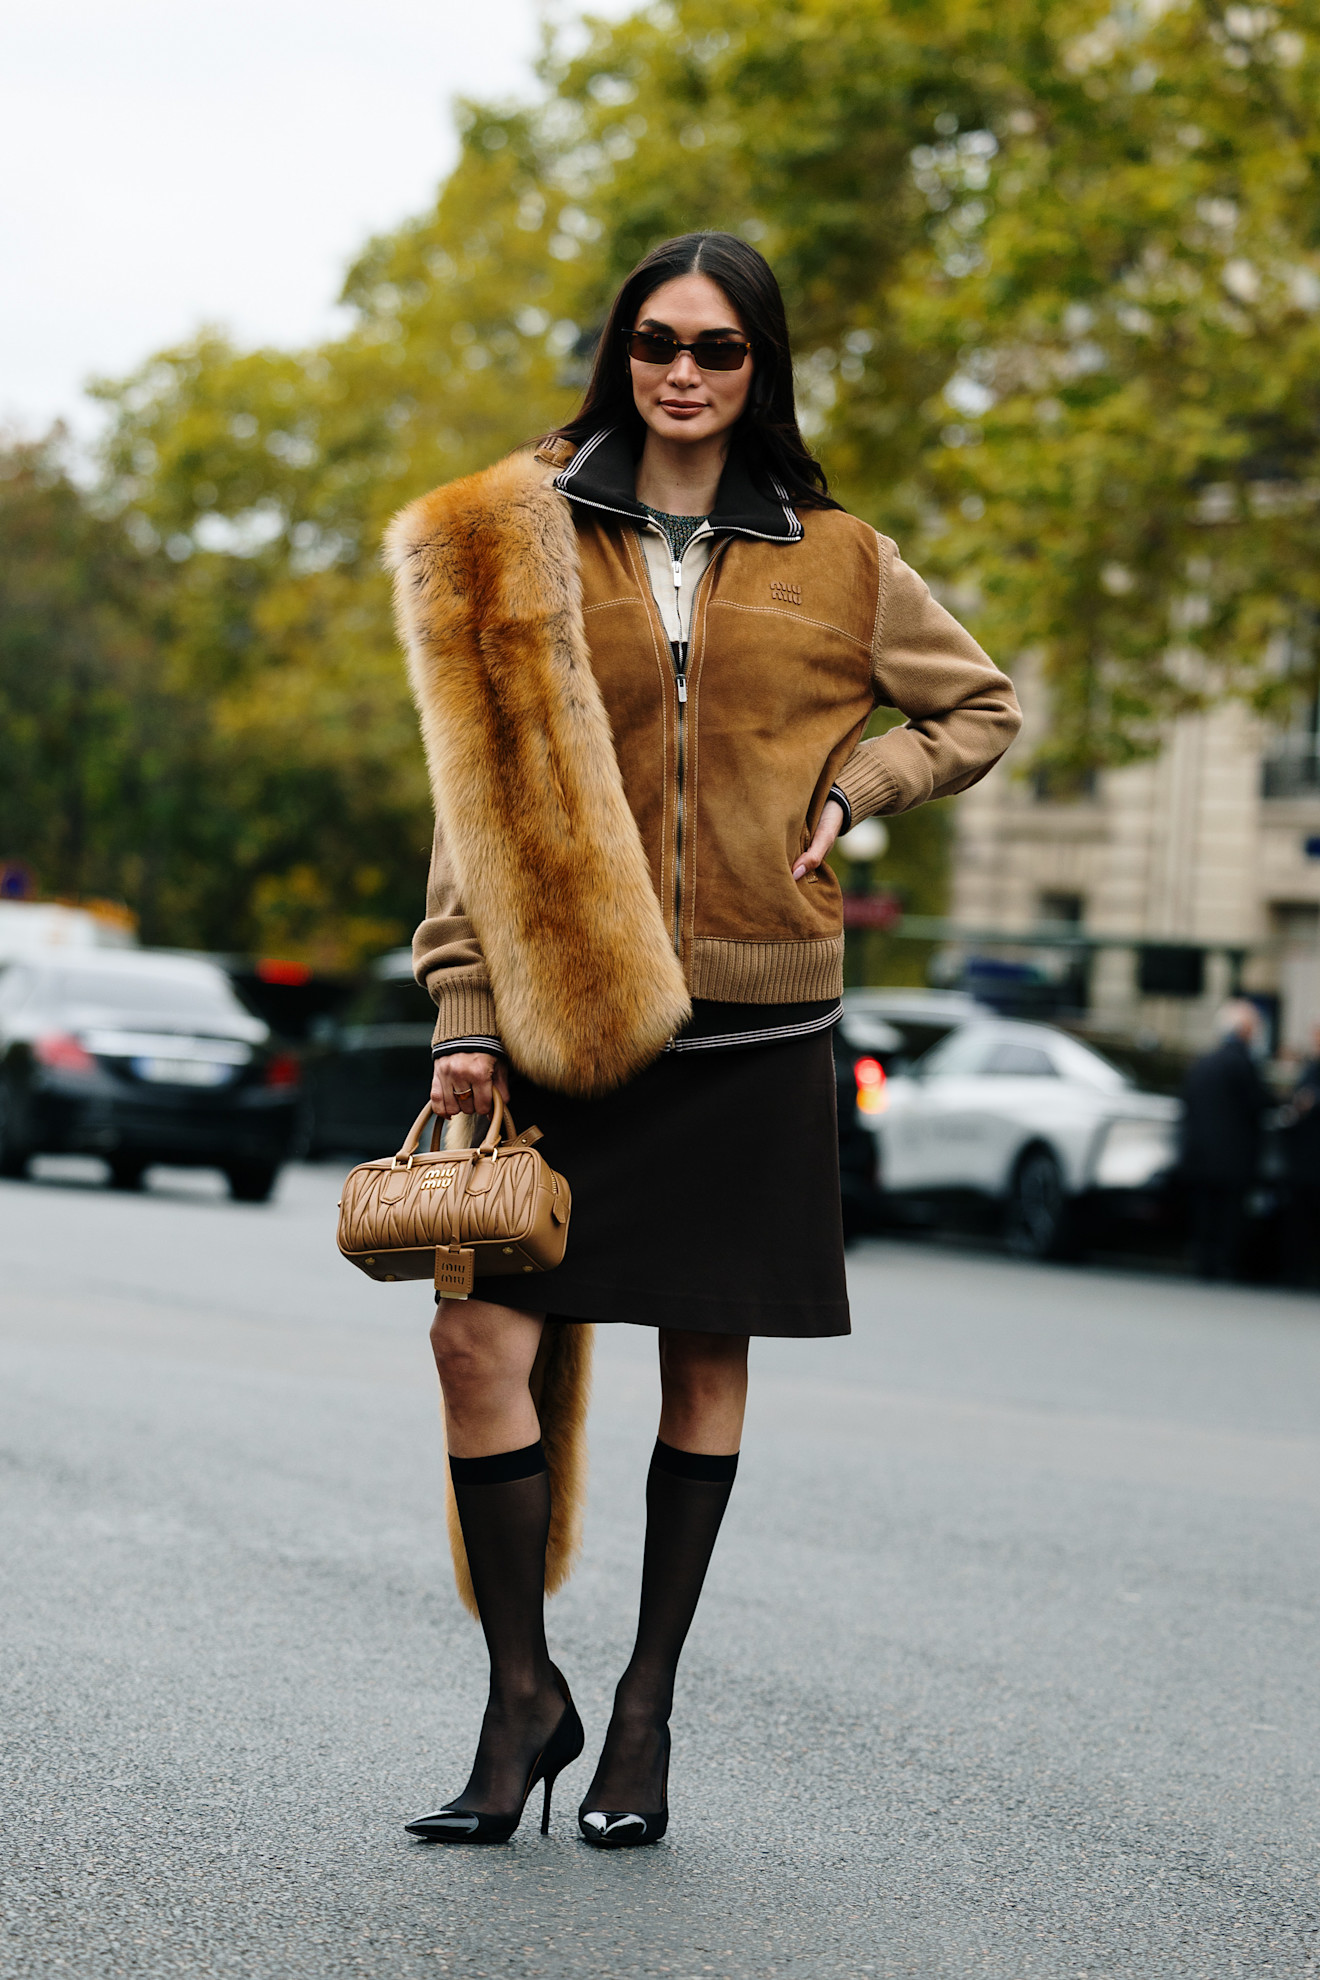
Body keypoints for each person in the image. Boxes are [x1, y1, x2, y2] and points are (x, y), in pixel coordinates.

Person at [385, 231, 1022, 1848]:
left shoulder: (841, 555)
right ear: (623, 352)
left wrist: (852, 789)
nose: (684, 371)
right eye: (659, 341)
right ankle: (523, 1695)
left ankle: (648, 1708)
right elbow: (478, 799)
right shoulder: (525, 535)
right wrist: (466, 1013)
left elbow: (978, 708)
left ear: (760, 368)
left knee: (705, 1357)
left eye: (717, 349)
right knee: (476, 1344)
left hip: (758, 1014)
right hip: (562, 1007)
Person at [1179, 999, 1271, 1281]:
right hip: (1233, 1157)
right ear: (1243, 1030)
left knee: (1206, 1213)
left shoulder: (1204, 1062)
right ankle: (1224, 1264)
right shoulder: (1241, 1063)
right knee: (1230, 1216)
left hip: (1200, 1153)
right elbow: (1259, 1104)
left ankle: (1203, 1263)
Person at [1279, 1025, 1320, 1288]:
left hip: (1310, 1161)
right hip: (1305, 1162)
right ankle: (1297, 1271)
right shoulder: (1309, 1068)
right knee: (1301, 1220)